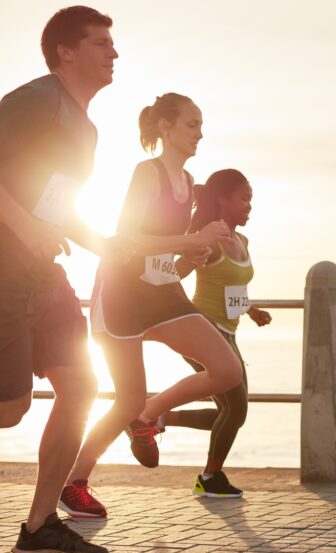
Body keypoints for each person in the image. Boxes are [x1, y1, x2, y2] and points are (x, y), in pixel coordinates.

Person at [58, 93, 242, 518]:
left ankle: (148, 416)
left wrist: (191, 256)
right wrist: (190, 240)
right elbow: (126, 239)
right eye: (192, 124)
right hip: (121, 294)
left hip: (163, 292)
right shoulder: (148, 173)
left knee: (227, 370)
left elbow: (161, 257)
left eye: (201, 125)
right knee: (124, 398)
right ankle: (74, 483)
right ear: (166, 128)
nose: (200, 133)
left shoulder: (188, 182)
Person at [2, 6, 128, 553]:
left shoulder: (88, 128)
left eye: (112, 43)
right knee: (8, 411)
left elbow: (61, 204)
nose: (114, 53)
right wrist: (25, 225)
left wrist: (110, 247)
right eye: (101, 43)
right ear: (65, 52)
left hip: (43, 276)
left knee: (80, 386)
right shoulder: (36, 99)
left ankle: (38, 527)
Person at [157, 169, 271, 498]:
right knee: (235, 409)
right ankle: (209, 477)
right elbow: (173, 275)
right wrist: (180, 312)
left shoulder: (242, 241)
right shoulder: (208, 238)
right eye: (244, 198)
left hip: (229, 331)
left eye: (251, 199)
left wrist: (250, 310)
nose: (249, 206)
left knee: (233, 412)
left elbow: (232, 286)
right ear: (223, 199)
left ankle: (161, 416)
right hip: (203, 329)